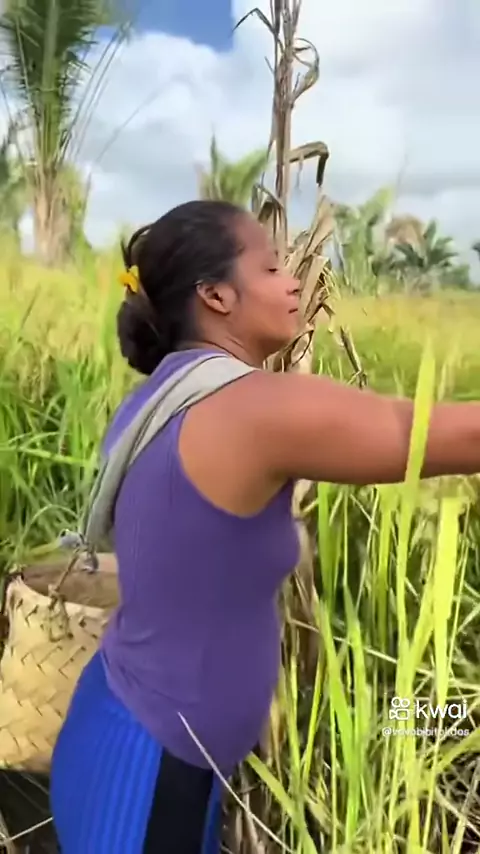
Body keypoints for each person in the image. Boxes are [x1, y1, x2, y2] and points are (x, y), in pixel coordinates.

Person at [50, 200, 480, 853]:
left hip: (144, 738)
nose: (294, 281)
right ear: (217, 295)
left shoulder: (162, 394)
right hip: (146, 770)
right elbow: (444, 435)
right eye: (272, 267)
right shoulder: (251, 406)